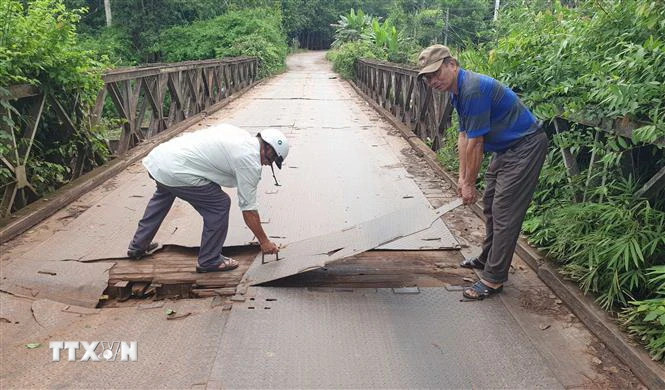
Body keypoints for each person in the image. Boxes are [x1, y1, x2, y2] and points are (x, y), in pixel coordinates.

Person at [417, 44, 548, 300]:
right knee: (490, 204)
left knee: (504, 213)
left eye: (437, 73)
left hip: (525, 146)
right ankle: (488, 258)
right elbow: (464, 136)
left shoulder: (473, 89)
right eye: (428, 77)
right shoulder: (457, 91)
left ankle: (494, 279)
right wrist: (462, 179)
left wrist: (469, 183)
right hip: (506, 149)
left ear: (452, 64)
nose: (433, 81)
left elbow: (476, 144)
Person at [126, 123, 288, 273]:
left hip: (160, 158)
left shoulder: (239, 135)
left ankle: (138, 245)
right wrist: (264, 241)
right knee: (220, 204)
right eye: (271, 159)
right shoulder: (249, 161)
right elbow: (249, 210)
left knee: (164, 193)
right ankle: (210, 259)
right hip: (176, 168)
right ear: (267, 148)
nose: (268, 164)